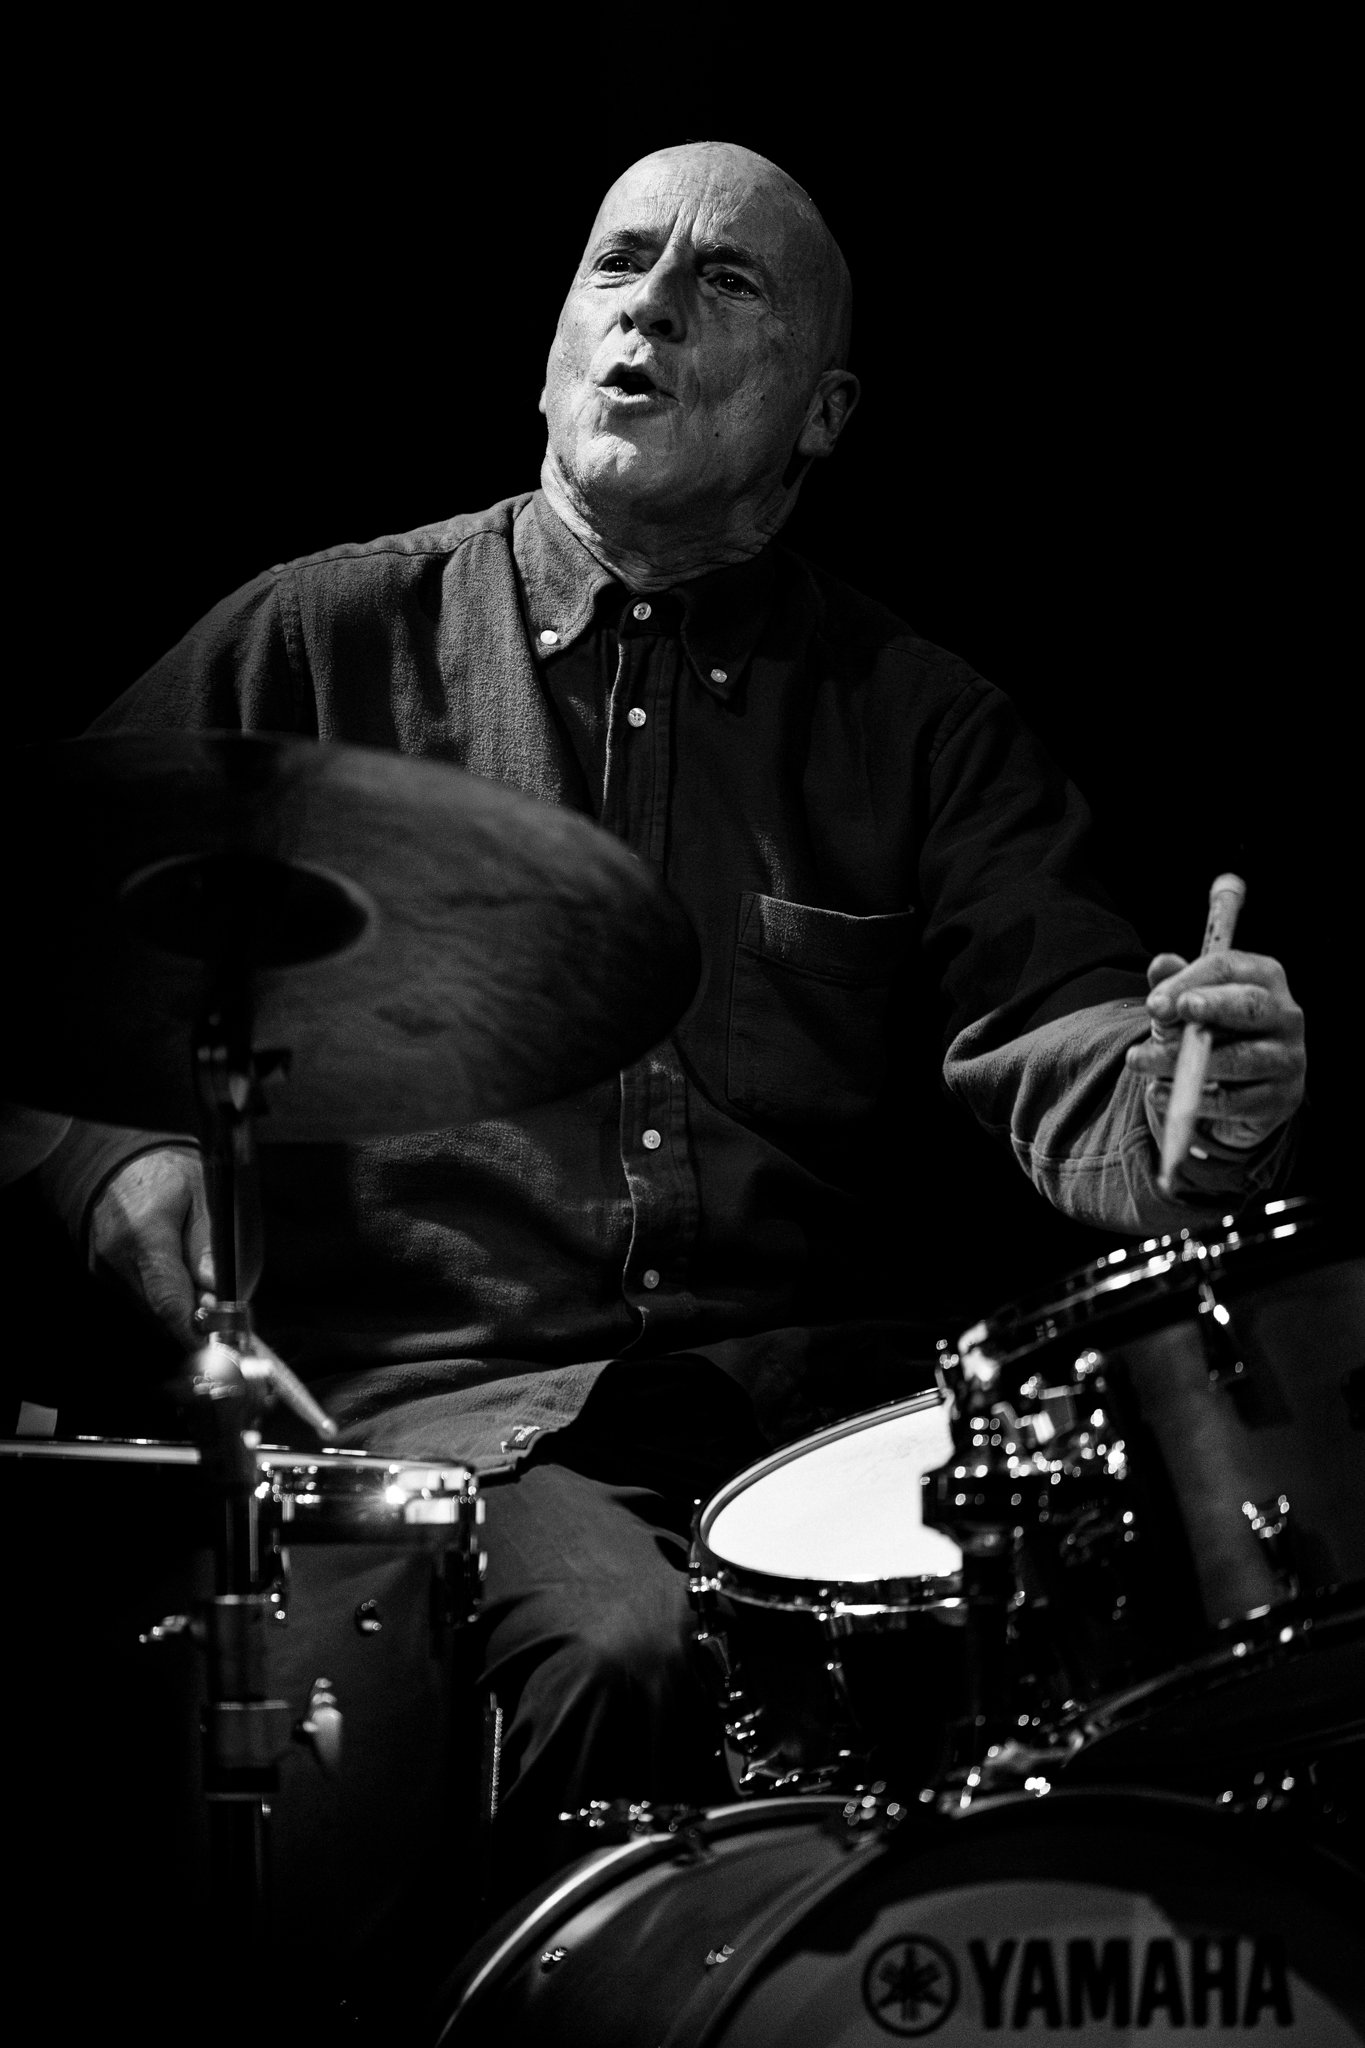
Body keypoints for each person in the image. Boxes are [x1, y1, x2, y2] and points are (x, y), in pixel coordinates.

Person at [39, 142, 1305, 1916]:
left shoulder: (919, 720)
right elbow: (36, 942)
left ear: (823, 412)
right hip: (465, 1411)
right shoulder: (318, 640)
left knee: (1153, 1631)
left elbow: (1073, 1052)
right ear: (552, 347)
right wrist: (116, 1165)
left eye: (725, 281)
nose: (649, 307)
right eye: (617, 264)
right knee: (617, 1648)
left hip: (820, 1413)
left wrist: (1202, 1099)